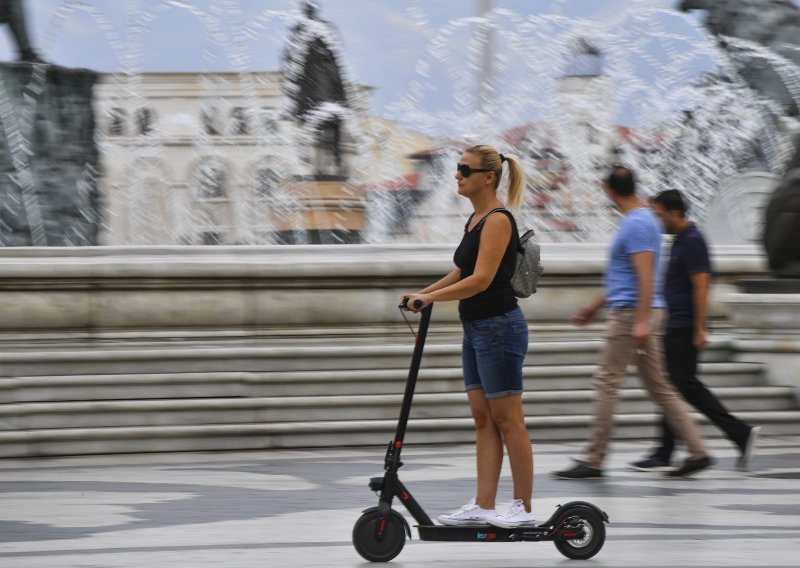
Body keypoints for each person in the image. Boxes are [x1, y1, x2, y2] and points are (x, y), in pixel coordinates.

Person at [401, 144, 535, 528]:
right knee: (483, 419)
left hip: (499, 327)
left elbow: (481, 280)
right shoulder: (475, 219)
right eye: (458, 169)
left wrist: (430, 298)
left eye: (465, 170)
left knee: (510, 420)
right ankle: (484, 503)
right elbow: (461, 273)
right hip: (476, 328)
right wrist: (423, 294)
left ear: (488, 177)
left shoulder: (497, 219)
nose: (457, 175)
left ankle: (523, 508)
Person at [553, 166, 714, 479]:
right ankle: (698, 451)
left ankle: (593, 458)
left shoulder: (637, 223)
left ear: (608, 190)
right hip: (635, 310)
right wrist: (595, 306)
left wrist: (640, 321)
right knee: (661, 388)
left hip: (631, 315)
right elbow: (627, 276)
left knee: (606, 382)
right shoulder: (642, 220)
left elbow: (644, 276)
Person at [630, 189, 760, 472]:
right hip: (675, 324)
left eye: (659, 214)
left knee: (681, 386)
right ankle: (669, 450)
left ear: (675, 213)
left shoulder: (692, 240)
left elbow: (702, 285)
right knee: (675, 387)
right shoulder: (680, 241)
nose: (657, 221)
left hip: (685, 326)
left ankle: (737, 433)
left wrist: (700, 327)